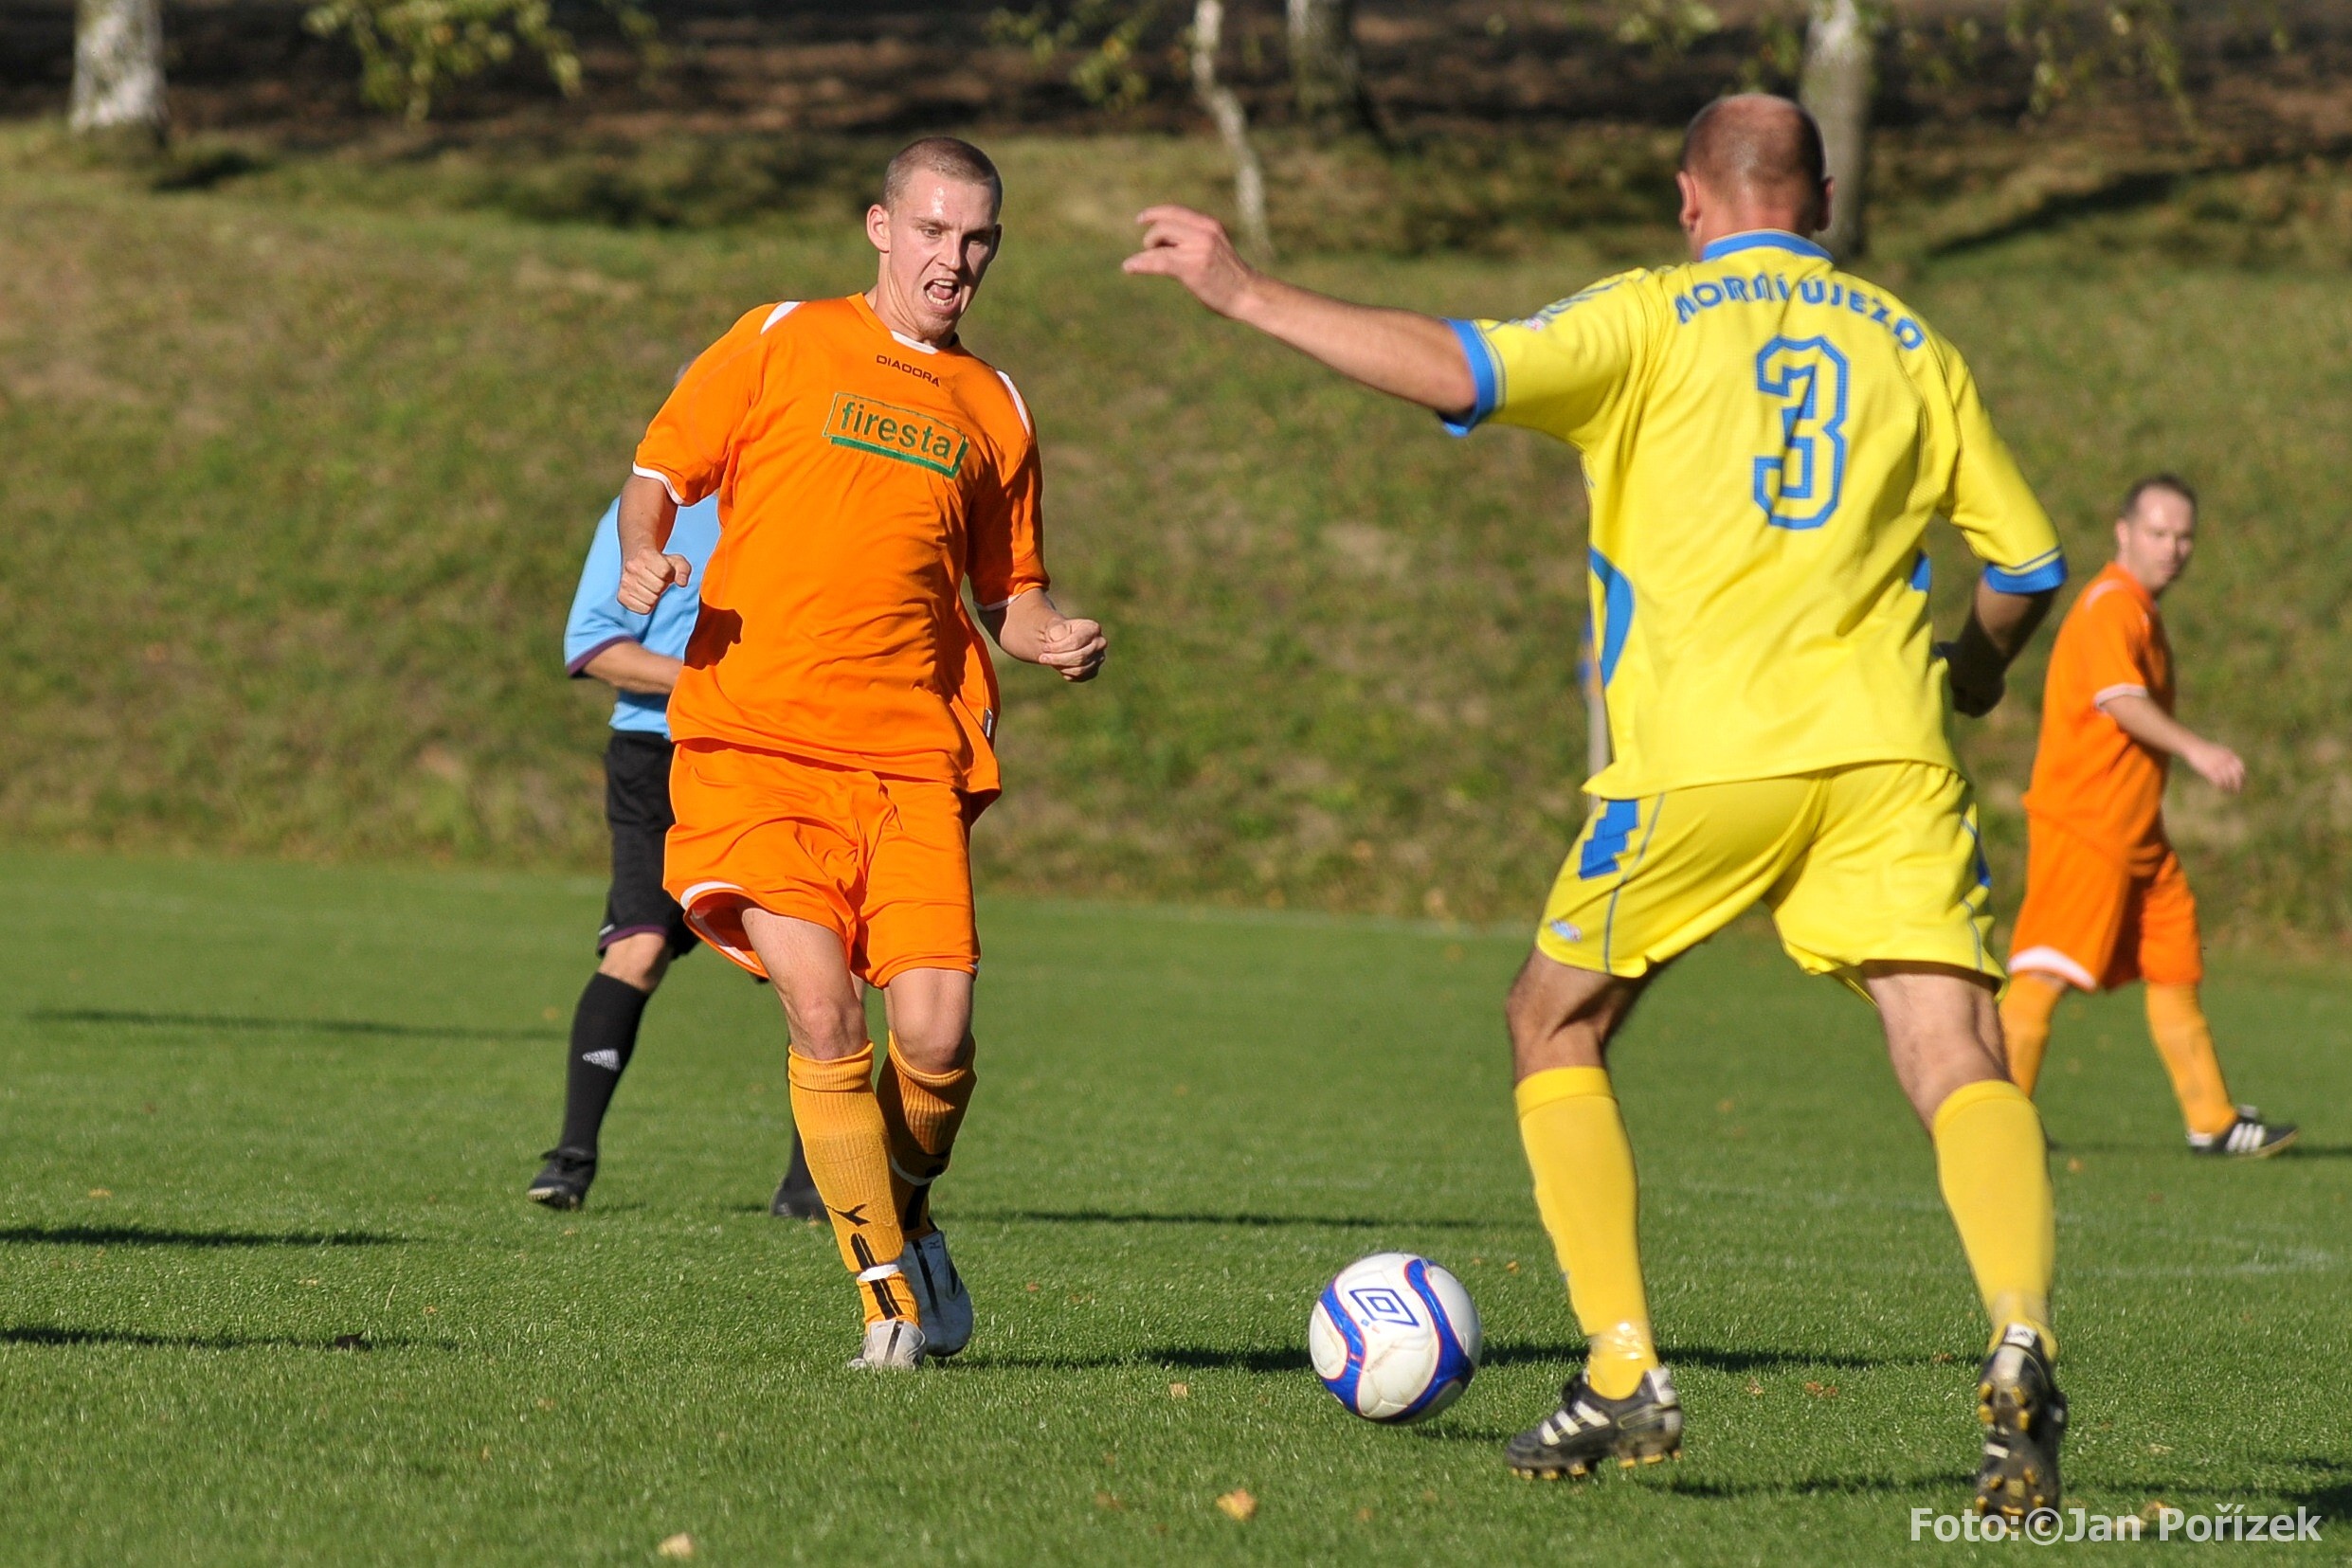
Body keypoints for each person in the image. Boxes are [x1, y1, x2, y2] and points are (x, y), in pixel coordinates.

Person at [1128, 95, 2072, 1517]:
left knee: (1550, 1016)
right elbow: (2030, 563)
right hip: (1889, 754)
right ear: (1820, 199)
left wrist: (1246, 290)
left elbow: (1455, 364)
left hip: (1702, 757)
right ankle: (2020, 1335)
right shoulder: (1909, 345)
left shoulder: (1648, 317)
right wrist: (1977, 669)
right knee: (1953, 1044)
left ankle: (1624, 1367)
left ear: (1689, 198)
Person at [617, 136, 1107, 1370]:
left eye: (976, 238)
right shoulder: (782, 335)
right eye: (933, 230)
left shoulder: (994, 405)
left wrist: (1052, 636)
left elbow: (1011, 593)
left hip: (908, 761)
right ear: (880, 226)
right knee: (825, 1010)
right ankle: (885, 1295)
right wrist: (642, 550)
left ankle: (910, 1214)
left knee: (936, 1043)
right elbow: (657, 469)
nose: (955, 258)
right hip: (755, 742)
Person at [530, 491, 824, 1217]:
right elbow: (594, 644)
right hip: (660, 756)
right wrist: (715, 686)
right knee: (638, 949)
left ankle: (811, 1183)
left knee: (817, 965)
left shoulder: (812, 498)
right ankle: (570, 1160)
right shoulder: (650, 512)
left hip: (779, 760)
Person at [1999, 477, 2294, 1157]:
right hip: (2087, 824)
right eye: (2158, 533)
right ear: (2123, 530)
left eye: (2184, 536)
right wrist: (2196, 748)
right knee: (2046, 972)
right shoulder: (2110, 605)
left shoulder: (2139, 610)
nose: (2173, 548)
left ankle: (2213, 1120)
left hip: (2138, 833)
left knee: (2175, 964)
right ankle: (1997, 1122)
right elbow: (2119, 700)